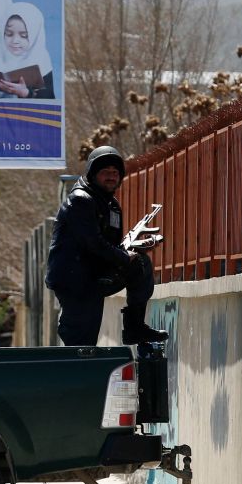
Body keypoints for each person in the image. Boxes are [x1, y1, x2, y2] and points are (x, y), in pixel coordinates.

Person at [44, 146, 167, 346]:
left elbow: (111, 245)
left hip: (96, 274)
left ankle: (135, 328)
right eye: (105, 172)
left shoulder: (111, 205)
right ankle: (75, 362)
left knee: (140, 264)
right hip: (75, 280)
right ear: (93, 174)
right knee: (81, 343)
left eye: (115, 173)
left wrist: (133, 248)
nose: (111, 177)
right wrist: (124, 256)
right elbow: (92, 243)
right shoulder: (80, 200)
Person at [0, 3, 55, 99]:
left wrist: (25, 93)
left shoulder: (41, 59)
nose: (15, 41)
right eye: (9, 34)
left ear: (35, 35)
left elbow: (49, 99)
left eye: (24, 36)